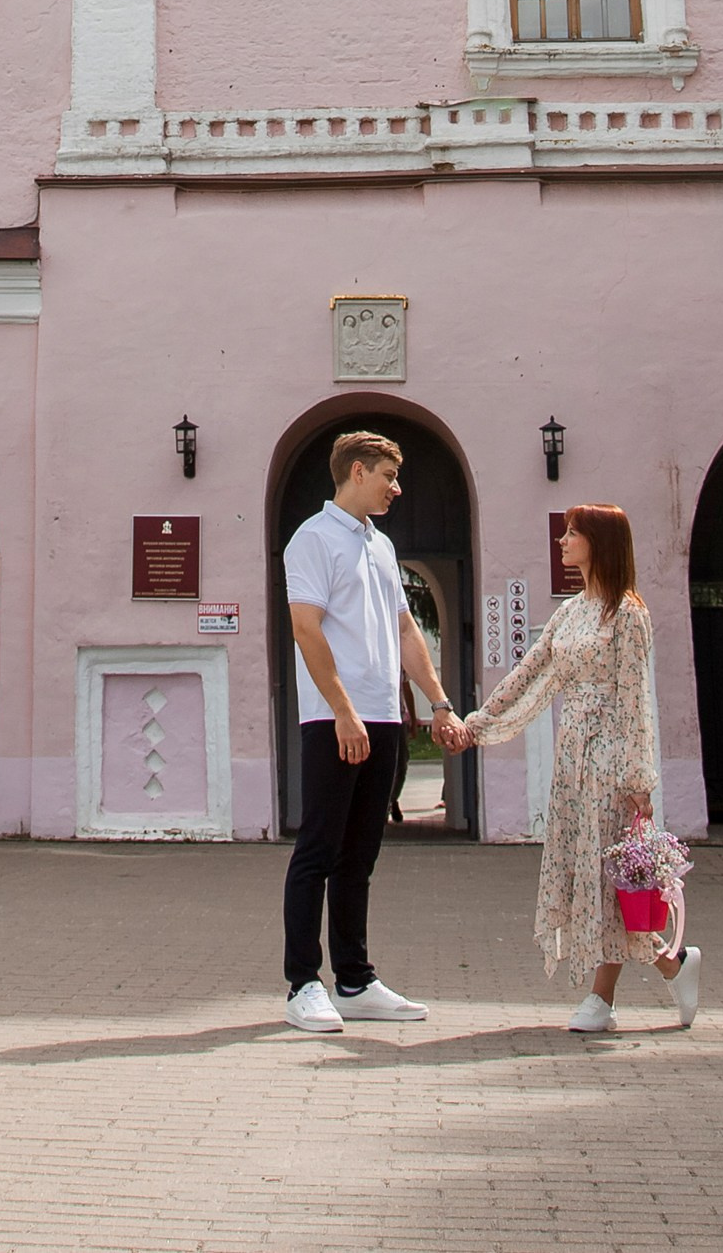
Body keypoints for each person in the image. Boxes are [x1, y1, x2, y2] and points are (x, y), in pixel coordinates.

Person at [455, 503, 702, 1034]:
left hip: (612, 758)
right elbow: (531, 672)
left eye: (573, 533)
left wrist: (638, 779)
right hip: (573, 759)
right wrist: (478, 723)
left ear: (600, 543)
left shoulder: (627, 614)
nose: (563, 541)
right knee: (586, 873)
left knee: (606, 876)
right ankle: (672, 964)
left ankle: (602, 999)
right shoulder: (571, 613)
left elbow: (637, 698)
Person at [280, 428, 464, 1035]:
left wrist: (439, 703)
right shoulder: (312, 540)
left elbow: (408, 631)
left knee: (360, 855)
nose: (396, 487)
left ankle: (355, 981)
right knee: (319, 850)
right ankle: (303, 983)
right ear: (357, 472)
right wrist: (342, 710)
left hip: (384, 717)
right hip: (335, 719)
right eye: (388, 476)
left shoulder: (381, 546)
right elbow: (306, 630)